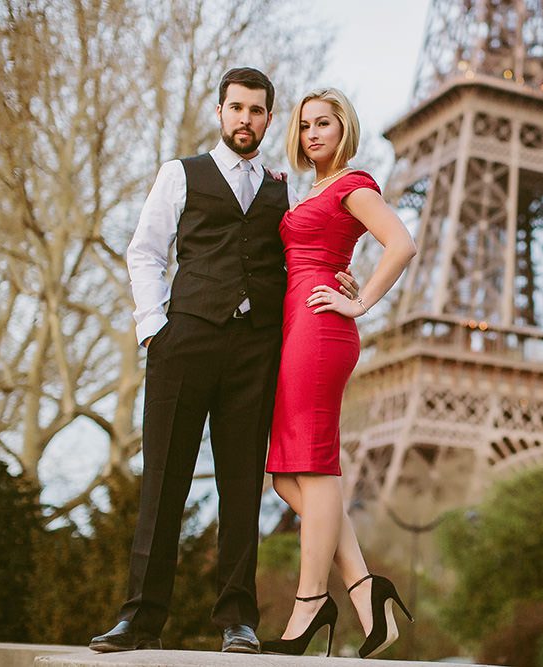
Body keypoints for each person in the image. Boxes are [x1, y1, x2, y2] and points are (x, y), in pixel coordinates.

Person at [89, 68, 358, 654]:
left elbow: (308, 249)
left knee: (242, 487)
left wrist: (344, 276)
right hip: (184, 340)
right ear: (220, 112)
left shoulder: (284, 188)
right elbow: (145, 251)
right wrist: (153, 328)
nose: (246, 119)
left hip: (255, 348)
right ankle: (139, 618)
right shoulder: (180, 174)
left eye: (257, 110)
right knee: (164, 481)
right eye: (236, 108)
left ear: (268, 117)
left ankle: (238, 619)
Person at [260, 87, 417, 658]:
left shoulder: (353, 185)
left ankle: (307, 604)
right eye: (305, 126)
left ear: (344, 127)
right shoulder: (316, 190)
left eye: (324, 123)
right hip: (297, 328)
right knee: (284, 475)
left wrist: (361, 300)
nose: (313, 135)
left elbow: (401, 243)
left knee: (315, 465)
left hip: (321, 330)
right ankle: (365, 590)